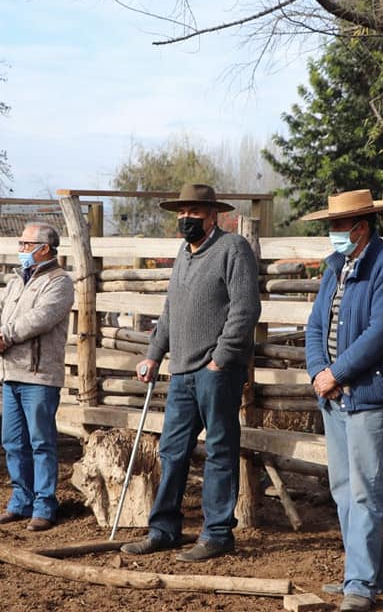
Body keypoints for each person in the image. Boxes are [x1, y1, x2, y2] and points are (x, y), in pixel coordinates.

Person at [120, 183, 261, 563]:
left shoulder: (232, 249)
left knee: (219, 449)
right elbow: (170, 312)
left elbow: (245, 308)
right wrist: (153, 354)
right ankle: (164, 530)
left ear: (213, 215)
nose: (186, 218)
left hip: (216, 371)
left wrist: (222, 357)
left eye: (195, 212)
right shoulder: (184, 255)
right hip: (181, 371)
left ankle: (217, 534)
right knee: (172, 449)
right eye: (182, 212)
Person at [302, 190, 383, 612]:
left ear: (361, 228)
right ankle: (363, 572)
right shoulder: (335, 267)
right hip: (334, 395)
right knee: (343, 488)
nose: (333, 234)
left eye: (337, 227)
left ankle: (361, 583)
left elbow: (381, 333)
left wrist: (338, 373)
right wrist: (319, 372)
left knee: (365, 489)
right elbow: (315, 325)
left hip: (370, 393)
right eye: (331, 227)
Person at [0, 222, 74, 533]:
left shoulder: (59, 282)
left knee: (41, 442)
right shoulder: (16, 280)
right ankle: (21, 500)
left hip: (39, 375)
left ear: (43, 248)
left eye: (25, 244)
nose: (20, 249)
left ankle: (44, 505)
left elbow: (41, 318)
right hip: (11, 372)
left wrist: (3, 335)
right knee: (13, 441)